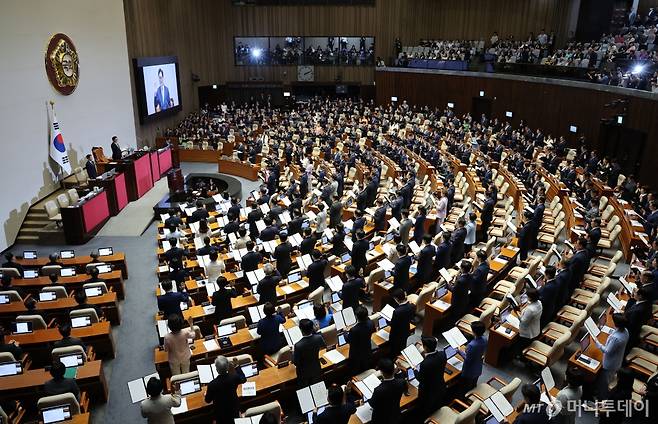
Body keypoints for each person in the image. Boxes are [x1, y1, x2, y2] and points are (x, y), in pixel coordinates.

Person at [592, 313, 629, 399]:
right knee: (605, 380)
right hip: (617, 360)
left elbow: (607, 351)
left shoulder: (616, 338)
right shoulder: (625, 331)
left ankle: (601, 399)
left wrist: (597, 342)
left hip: (610, 364)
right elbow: (614, 332)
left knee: (604, 383)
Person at [204, 356, 247, 424]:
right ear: (227, 367)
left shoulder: (212, 384)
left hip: (220, 414)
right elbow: (243, 379)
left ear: (217, 369)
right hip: (234, 409)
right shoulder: (234, 377)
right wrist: (237, 366)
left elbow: (207, 400)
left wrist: (206, 394)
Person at [414, 337, 447, 420]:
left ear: (425, 347)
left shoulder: (425, 364)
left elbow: (420, 379)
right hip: (440, 387)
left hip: (428, 394)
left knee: (425, 412)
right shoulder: (442, 354)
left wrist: (415, 370)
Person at [369, 358, 407, 424]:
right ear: (394, 369)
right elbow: (403, 382)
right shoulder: (401, 382)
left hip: (381, 419)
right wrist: (398, 372)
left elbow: (372, 404)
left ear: (381, 372)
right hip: (395, 415)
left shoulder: (378, 390)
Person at [293, 318, 325, 387]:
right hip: (316, 368)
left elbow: (296, 362)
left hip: (303, 374)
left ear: (301, 330)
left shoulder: (298, 345)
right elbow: (323, 346)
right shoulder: (319, 337)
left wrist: (293, 353)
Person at [459, 321, 487, 393]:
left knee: (465, 387)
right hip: (478, 366)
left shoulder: (472, 345)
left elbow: (467, 359)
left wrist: (459, 351)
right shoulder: (485, 339)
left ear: (474, 331)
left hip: (469, 370)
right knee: (473, 384)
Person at [346, 306, 375, 375]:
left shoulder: (354, 330)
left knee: (355, 371)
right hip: (367, 350)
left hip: (356, 355)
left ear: (356, 316)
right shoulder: (371, 323)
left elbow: (348, 340)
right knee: (365, 368)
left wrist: (345, 331)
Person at [515, 287, 542, 359]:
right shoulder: (539, 303)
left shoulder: (530, 310)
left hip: (527, 332)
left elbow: (523, 321)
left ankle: (519, 356)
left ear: (530, 297)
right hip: (535, 328)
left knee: (520, 345)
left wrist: (517, 312)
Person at [388, 289, 415, 359]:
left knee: (394, 350)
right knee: (402, 346)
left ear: (396, 299)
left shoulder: (397, 312)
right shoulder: (411, 306)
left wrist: (388, 321)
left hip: (396, 334)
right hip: (405, 330)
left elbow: (393, 325)